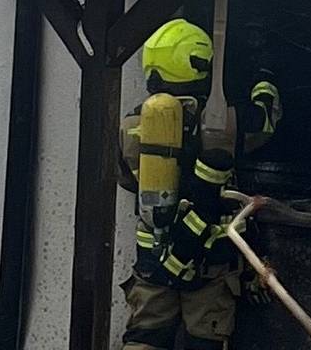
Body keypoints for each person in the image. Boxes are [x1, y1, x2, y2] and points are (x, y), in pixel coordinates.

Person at [118, 18, 283, 350]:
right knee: (204, 342)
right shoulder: (223, 122)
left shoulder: (131, 125)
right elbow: (266, 121)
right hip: (210, 262)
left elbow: (126, 180)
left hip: (152, 261)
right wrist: (264, 77)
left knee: (144, 338)